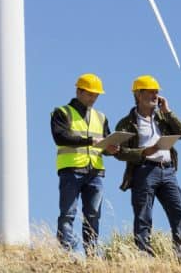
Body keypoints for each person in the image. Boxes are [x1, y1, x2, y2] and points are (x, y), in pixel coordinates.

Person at [114, 75, 181, 262]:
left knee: (179, 211)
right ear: (138, 94)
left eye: (157, 92)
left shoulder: (163, 118)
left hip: (168, 170)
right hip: (144, 171)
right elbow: (118, 151)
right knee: (143, 215)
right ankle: (144, 256)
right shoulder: (126, 123)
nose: (155, 95)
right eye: (151, 91)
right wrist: (142, 153)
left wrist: (168, 112)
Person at [51, 73, 119, 256]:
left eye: (96, 95)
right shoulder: (62, 112)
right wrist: (90, 141)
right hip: (71, 170)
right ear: (79, 91)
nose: (94, 98)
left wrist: (110, 148)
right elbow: (61, 137)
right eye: (90, 94)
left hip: (95, 172)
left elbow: (103, 142)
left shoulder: (101, 117)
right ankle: (67, 253)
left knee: (93, 216)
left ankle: (91, 254)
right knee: (68, 214)